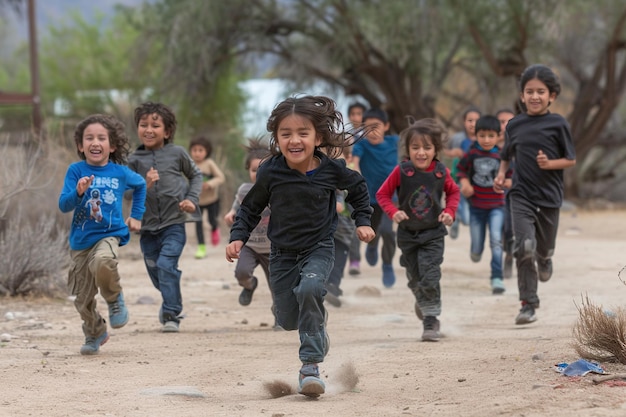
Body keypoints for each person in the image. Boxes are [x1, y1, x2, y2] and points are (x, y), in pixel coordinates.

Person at [225, 95, 375, 398]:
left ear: (317, 137)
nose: (294, 140)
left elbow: (357, 187)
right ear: (277, 138)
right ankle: (317, 329)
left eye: (302, 133)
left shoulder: (332, 169)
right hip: (281, 252)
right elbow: (251, 207)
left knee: (310, 290)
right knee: (286, 318)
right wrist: (237, 236)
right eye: (286, 134)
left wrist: (363, 220)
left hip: (318, 247)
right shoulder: (270, 171)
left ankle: (310, 367)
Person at [494, 64, 576, 325]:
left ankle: (546, 258)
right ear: (522, 95)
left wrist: (549, 164)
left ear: (552, 96)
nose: (535, 96)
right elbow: (507, 155)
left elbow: (570, 159)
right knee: (524, 246)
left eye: (541, 91)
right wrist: (501, 173)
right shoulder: (514, 125)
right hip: (521, 194)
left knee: (542, 249)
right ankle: (528, 304)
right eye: (529, 91)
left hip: (550, 197)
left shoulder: (558, 124)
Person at [58, 114, 146, 355]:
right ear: (80, 145)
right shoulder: (75, 171)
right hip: (80, 242)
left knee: (103, 261)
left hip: (110, 234)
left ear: (112, 145)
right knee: (82, 298)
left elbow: (140, 186)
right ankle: (95, 330)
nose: (95, 142)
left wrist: (137, 215)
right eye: (89, 138)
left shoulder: (119, 172)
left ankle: (114, 299)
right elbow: (64, 205)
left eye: (101, 138)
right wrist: (77, 192)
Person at [376, 118, 459, 342]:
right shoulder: (402, 171)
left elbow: (453, 192)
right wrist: (393, 212)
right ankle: (423, 298)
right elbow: (382, 194)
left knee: (430, 275)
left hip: (433, 232)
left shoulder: (441, 172)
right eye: (415, 148)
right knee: (415, 278)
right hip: (408, 234)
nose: (421, 153)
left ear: (436, 150)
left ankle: (430, 320)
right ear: (408, 149)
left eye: (427, 148)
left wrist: (450, 212)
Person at [128, 102, 203, 333]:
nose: (148, 129)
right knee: (156, 269)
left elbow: (196, 175)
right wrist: (145, 184)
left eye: (155, 125)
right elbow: (127, 193)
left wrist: (191, 199)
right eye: (143, 125)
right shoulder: (133, 160)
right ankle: (171, 298)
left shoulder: (177, 153)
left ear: (167, 131)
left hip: (174, 223)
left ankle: (172, 313)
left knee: (165, 264)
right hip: (147, 227)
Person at [223, 138, 277, 325]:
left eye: (263, 169)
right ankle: (250, 285)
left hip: (273, 247)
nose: (259, 174)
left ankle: (280, 314)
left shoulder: (278, 190)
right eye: (255, 170)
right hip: (250, 245)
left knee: (278, 286)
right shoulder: (244, 190)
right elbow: (238, 207)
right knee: (242, 272)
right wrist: (231, 213)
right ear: (248, 171)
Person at [456, 115, 512, 295]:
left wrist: (506, 182)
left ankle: (497, 277)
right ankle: (476, 250)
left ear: (498, 135)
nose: (486, 140)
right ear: (476, 135)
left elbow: (511, 177)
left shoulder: (503, 155)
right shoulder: (472, 153)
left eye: (490, 136)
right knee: (477, 248)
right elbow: (461, 170)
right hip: (476, 207)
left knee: (496, 240)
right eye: (482, 135)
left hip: (497, 206)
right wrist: (465, 184)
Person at [351, 107, 398, 288]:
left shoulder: (394, 142)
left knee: (387, 231)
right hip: (369, 198)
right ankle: (371, 246)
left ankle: (387, 265)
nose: (372, 131)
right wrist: (356, 172)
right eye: (368, 127)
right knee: (373, 231)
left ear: (386, 126)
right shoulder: (361, 145)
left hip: (389, 198)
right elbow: (355, 161)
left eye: (376, 126)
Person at [444, 107, 481, 239]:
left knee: (468, 219)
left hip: (478, 180)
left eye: (476, 120)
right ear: (464, 122)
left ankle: (459, 218)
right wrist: (453, 153)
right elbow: (444, 152)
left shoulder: (483, 138)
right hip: (460, 177)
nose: (473, 124)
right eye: (470, 120)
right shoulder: (457, 138)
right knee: (460, 201)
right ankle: (456, 218)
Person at [189, 136, 226, 259]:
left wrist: (210, 184)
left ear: (206, 151)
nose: (197, 153)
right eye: (194, 150)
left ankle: (215, 229)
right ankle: (201, 247)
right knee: (198, 223)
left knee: (211, 220)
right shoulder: (190, 164)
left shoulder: (209, 163)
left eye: (200, 150)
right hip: (197, 202)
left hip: (212, 200)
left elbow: (221, 177)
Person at [346, 101, 367, 276]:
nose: (355, 118)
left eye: (359, 114)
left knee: (356, 223)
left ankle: (355, 259)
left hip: (362, 185)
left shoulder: (369, 137)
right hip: (344, 185)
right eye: (353, 114)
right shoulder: (345, 136)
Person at [495, 108, 516, 278]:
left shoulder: (519, 146)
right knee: (498, 229)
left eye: (509, 122)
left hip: (514, 194)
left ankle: (509, 255)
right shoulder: (487, 146)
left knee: (509, 229)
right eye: (501, 122)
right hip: (492, 198)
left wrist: (512, 181)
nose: (505, 126)